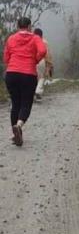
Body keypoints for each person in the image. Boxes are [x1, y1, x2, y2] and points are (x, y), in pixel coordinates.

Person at [2, 17, 47, 146]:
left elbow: (6, 57)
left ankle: (15, 133)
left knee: (15, 103)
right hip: (28, 74)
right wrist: (35, 60)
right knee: (26, 103)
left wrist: (12, 63)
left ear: (18, 26)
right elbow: (43, 50)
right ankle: (19, 125)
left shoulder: (11, 38)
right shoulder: (35, 38)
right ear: (29, 26)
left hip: (12, 74)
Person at [33, 28, 53, 101]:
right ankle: (38, 92)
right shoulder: (44, 42)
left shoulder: (31, 40)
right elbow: (48, 54)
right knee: (41, 77)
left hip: (32, 61)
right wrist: (49, 65)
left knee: (33, 77)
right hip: (42, 61)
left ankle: (32, 92)